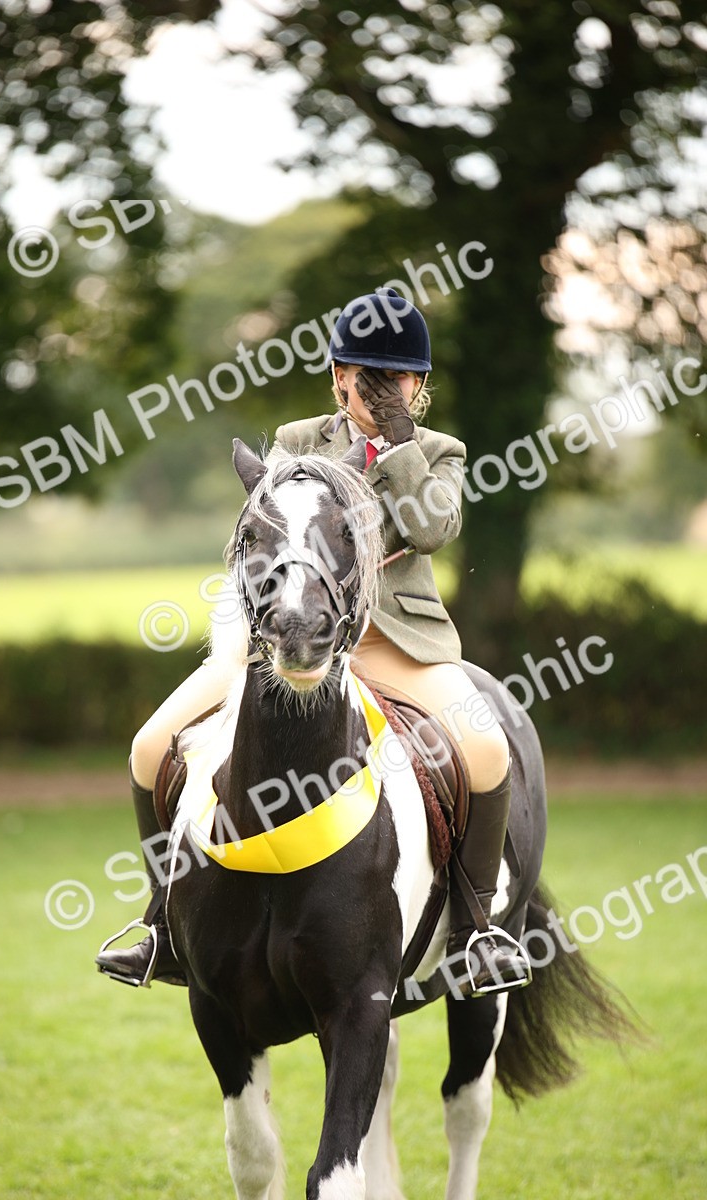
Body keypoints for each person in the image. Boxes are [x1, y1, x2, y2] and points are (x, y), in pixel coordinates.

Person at [96, 287, 530, 998]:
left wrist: (397, 442)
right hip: (286, 640)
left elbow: (431, 529)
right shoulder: (297, 443)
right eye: (364, 375)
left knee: (486, 749)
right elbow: (253, 535)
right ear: (336, 375)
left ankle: (478, 929)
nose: (377, 389)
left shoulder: (439, 453)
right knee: (149, 746)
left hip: (397, 644)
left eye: (395, 378)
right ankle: (163, 926)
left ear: (418, 385)